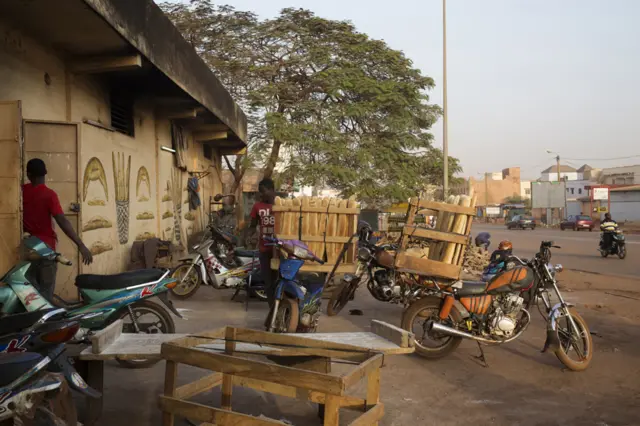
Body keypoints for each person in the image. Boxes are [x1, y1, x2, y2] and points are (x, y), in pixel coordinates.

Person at [22, 158, 93, 300]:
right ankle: (44, 320)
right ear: (45, 174)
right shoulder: (49, 195)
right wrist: (81, 245)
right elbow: (62, 220)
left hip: (28, 248)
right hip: (47, 249)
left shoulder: (22, 192)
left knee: (29, 294)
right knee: (46, 292)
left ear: (29, 175)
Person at [249, 178, 277, 324]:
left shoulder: (282, 204)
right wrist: (251, 237)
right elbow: (252, 226)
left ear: (272, 189)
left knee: (281, 281)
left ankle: (284, 310)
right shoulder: (257, 206)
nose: (261, 195)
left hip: (281, 251)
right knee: (269, 283)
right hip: (264, 249)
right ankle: (273, 311)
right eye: (260, 192)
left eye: (263, 192)